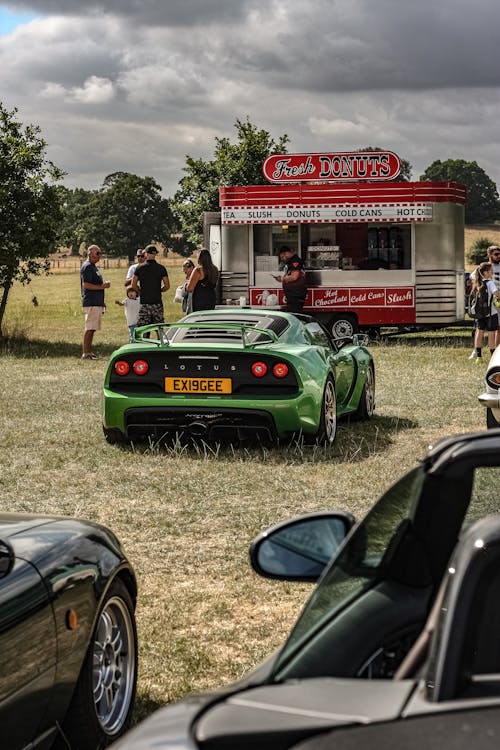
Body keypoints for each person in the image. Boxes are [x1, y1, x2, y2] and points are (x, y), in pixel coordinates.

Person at [80, 244, 110, 359]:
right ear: (90, 254)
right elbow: (86, 285)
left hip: (96, 301)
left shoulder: (93, 267)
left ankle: (89, 352)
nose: (99, 256)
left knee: (93, 328)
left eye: (100, 253)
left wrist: (101, 301)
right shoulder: (87, 266)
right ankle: (86, 353)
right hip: (91, 301)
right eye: (97, 253)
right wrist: (103, 286)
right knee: (89, 328)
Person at [131, 245, 170, 326]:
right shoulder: (161, 268)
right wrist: (160, 290)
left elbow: (133, 284)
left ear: (146, 254)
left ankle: (145, 339)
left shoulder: (140, 268)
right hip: (157, 303)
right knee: (159, 328)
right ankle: (160, 339)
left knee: (144, 328)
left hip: (145, 303)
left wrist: (140, 291)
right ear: (155, 254)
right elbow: (167, 286)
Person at [469, 262, 500, 360]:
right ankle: (492, 358)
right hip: (491, 313)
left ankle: (479, 357)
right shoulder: (490, 283)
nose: (492, 273)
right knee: (491, 334)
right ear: (486, 273)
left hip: (480, 314)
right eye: (491, 271)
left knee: (479, 333)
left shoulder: (477, 283)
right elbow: (497, 294)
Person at [275, 245, 307, 313]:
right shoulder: (290, 262)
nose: (282, 259)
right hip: (293, 294)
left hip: (296, 294)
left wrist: (282, 279)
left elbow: (294, 277)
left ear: (286, 253)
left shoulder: (295, 261)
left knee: (294, 314)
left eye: (282, 257)